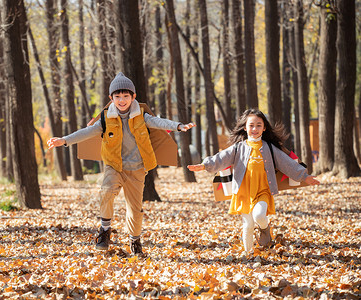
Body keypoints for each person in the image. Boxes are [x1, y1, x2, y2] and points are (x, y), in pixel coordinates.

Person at [47, 72, 195, 255]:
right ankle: (105, 229)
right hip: (114, 166)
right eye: (117, 96)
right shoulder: (105, 118)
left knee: (135, 209)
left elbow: (158, 122)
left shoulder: (141, 115)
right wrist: (64, 140)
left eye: (126, 96)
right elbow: (87, 132)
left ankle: (135, 241)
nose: (122, 100)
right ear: (111, 98)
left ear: (133, 97)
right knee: (106, 191)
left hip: (137, 169)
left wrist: (179, 126)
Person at [187, 108, 320, 255]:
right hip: (243, 192)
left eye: (258, 125)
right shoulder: (238, 147)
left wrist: (304, 176)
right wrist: (204, 165)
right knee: (248, 224)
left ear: (264, 128)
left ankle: (265, 229)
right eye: (251, 125)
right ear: (245, 128)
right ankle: (248, 254)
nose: (254, 129)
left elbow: (286, 163)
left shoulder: (269, 148)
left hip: (262, 190)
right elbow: (221, 157)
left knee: (259, 216)